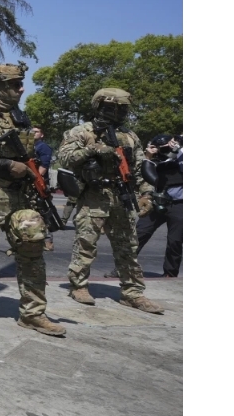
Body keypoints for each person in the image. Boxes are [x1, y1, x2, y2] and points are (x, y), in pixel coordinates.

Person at [0, 64, 66, 335]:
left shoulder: (21, 118)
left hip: (22, 195)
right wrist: (6, 165)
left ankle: (33, 313)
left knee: (32, 254)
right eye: (16, 85)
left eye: (20, 84)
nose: (21, 89)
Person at [58, 88, 163, 314]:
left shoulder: (130, 136)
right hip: (94, 195)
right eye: (114, 108)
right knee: (86, 243)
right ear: (100, 106)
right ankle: (78, 286)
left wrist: (146, 194)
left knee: (128, 246)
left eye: (123, 108)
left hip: (121, 195)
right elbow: (65, 158)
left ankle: (132, 292)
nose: (120, 113)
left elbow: (138, 169)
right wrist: (93, 149)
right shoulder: (82, 131)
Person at [134, 135, 182, 277]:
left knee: (175, 241)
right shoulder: (152, 161)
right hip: (156, 202)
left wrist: (177, 146)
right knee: (139, 234)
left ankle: (170, 274)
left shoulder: (181, 156)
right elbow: (141, 176)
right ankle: (123, 269)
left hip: (179, 204)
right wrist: (148, 155)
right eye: (161, 148)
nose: (165, 150)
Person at [32, 126, 55, 251]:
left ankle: (47, 240)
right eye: (32, 131)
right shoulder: (31, 147)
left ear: (42, 135)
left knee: (43, 212)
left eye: (36, 131)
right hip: (31, 183)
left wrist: (35, 180)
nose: (33, 133)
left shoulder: (43, 147)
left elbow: (43, 167)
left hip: (40, 184)